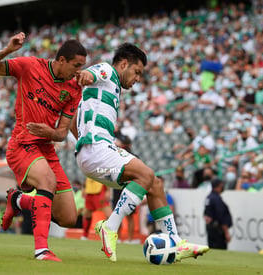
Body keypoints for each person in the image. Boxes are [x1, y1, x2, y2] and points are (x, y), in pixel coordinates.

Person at [74, 43, 209, 262]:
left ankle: (175, 241)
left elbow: (75, 120)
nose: (137, 78)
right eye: (137, 72)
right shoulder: (107, 71)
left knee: (154, 183)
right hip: (97, 150)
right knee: (146, 175)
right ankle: (109, 227)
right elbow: (93, 72)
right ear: (124, 63)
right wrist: (87, 76)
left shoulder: (110, 88)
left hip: (95, 153)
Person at [0, 32, 88, 262]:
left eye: (82, 67)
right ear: (61, 61)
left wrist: (50, 133)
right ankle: (42, 250)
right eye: (76, 65)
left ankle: (18, 200)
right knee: (47, 182)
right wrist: (8, 49)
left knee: (69, 217)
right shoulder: (29, 66)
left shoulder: (74, 88)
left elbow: (60, 133)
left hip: (46, 148)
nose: (78, 71)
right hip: (21, 144)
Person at [204, 178, 233, 249]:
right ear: (218, 186)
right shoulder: (217, 199)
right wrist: (226, 232)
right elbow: (221, 216)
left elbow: (206, 214)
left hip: (210, 228)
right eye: (221, 185)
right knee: (220, 249)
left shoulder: (209, 197)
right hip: (218, 230)